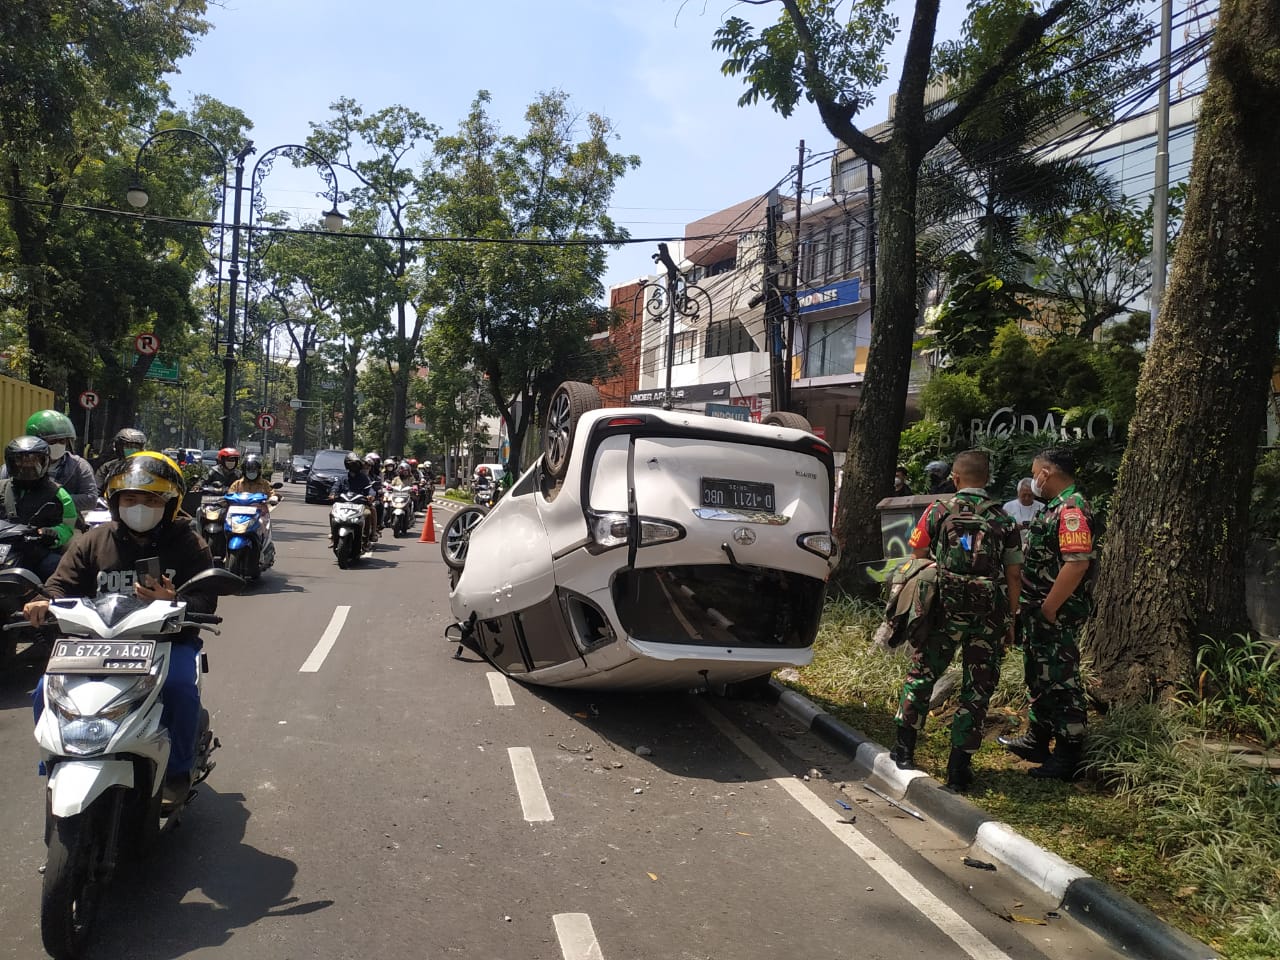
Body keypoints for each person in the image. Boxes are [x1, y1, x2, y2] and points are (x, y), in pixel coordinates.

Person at [24, 452, 218, 805]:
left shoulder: (189, 543)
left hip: (166, 643)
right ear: (115, 503)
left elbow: (207, 600)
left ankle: (177, 772)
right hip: (94, 645)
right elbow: (59, 586)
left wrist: (174, 601)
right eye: (130, 498)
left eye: (151, 499)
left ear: (170, 504)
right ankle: (54, 760)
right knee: (43, 692)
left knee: (179, 691)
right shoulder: (93, 541)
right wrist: (43, 602)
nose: (139, 506)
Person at [889, 449, 1022, 791]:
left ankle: (903, 751)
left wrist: (939, 567)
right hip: (987, 615)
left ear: (956, 478)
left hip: (943, 609)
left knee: (922, 673)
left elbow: (917, 551)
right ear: (988, 479)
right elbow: (1013, 573)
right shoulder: (1003, 519)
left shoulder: (939, 510)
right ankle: (959, 768)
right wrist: (1009, 618)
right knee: (977, 688)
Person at [997, 447, 1095, 781]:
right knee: (1040, 677)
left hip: (1056, 614)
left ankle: (1067, 756)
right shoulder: (1052, 508)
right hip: (1038, 613)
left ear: (1046, 473)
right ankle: (1037, 740)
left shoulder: (1071, 509)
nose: (1033, 478)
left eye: (1035, 471)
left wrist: (1050, 607)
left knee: (1062, 681)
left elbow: (1077, 563)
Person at [0, 437, 78, 579]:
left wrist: (54, 534)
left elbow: (68, 527)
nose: (27, 465)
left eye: (34, 460)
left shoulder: (59, 494)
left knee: (60, 571)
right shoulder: (1, 487)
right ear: (11, 462)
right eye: (21, 460)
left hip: (37, 552)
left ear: (45, 461)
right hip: (3, 549)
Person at [0, 410, 99, 512]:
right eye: (52, 441)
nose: (58, 445)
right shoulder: (14, 466)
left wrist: (51, 501)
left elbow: (90, 500)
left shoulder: (79, 466)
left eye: (62, 441)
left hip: (61, 521)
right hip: (16, 522)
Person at [330, 454, 378, 542]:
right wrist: (333, 493)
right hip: (343, 504)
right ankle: (333, 535)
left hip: (359, 504)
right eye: (352, 465)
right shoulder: (343, 478)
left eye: (356, 465)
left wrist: (370, 495)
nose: (354, 467)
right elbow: (335, 487)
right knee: (332, 513)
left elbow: (369, 489)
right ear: (347, 465)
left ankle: (365, 539)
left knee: (368, 513)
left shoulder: (364, 478)